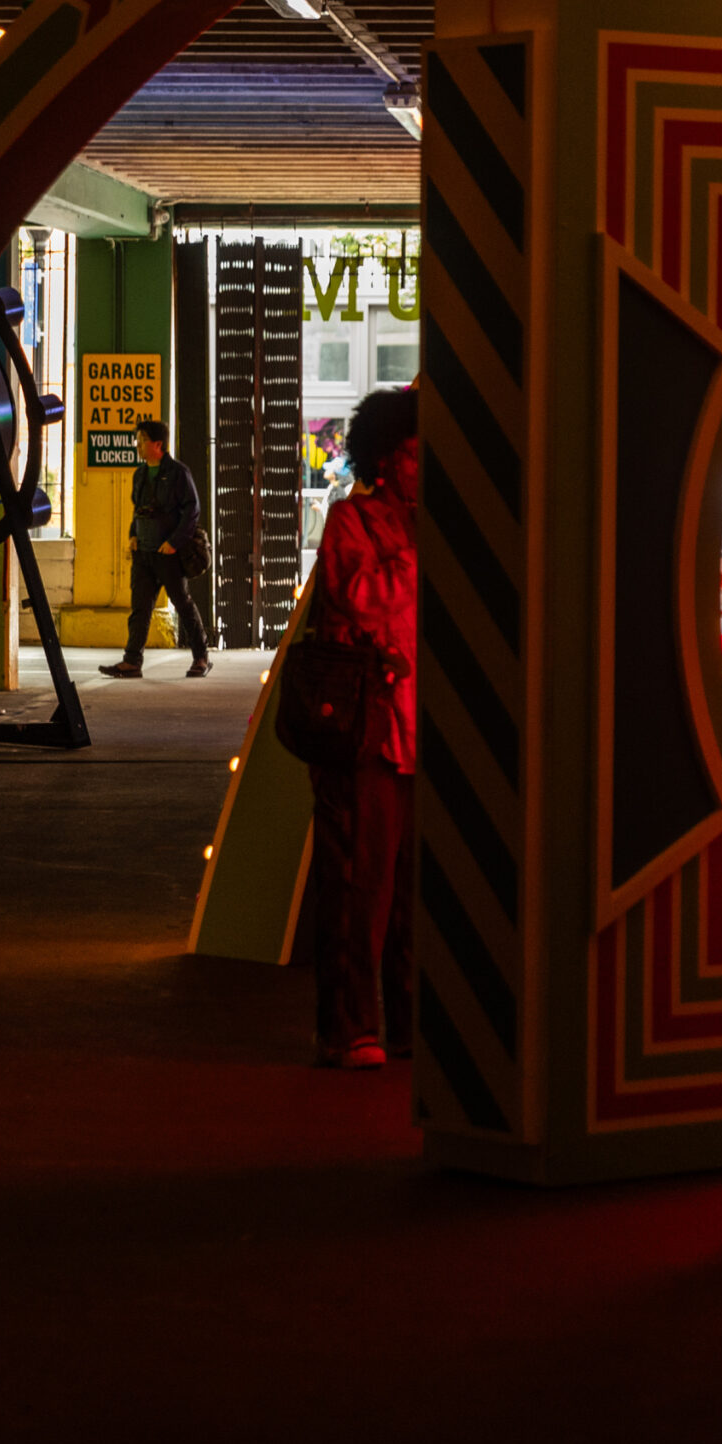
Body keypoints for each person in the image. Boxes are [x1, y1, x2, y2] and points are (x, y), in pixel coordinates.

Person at [300, 387, 420, 1069]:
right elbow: (366, 602)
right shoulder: (352, 521)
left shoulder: (423, 521)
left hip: (414, 731)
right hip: (367, 729)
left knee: (408, 894)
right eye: (408, 453)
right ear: (382, 457)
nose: (417, 466)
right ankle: (348, 1025)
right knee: (358, 884)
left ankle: (403, 1020)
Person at [100, 420, 211, 680]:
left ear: (157, 444)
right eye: (137, 439)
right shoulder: (139, 474)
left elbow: (192, 511)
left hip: (168, 554)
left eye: (142, 440)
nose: (137, 445)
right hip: (144, 553)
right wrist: (132, 535)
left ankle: (201, 657)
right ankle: (131, 662)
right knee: (140, 609)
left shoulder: (178, 473)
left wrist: (174, 542)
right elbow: (138, 510)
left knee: (182, 604)